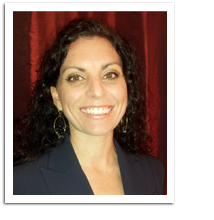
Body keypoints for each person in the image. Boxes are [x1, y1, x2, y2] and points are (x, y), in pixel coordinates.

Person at [13, 18, 164, 195]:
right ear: (56, 98)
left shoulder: (153, 172)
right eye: (76, 77)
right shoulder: (20, 183)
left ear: (127, 88)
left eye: (110, 74)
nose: (97, 91)